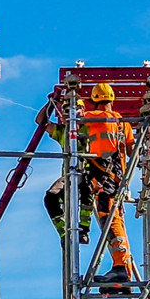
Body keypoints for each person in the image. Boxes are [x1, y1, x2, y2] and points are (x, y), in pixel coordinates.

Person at [80, 83, 135, 288]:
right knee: (116, 220)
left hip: (104, 180)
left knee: (110, 221)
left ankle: (121, 268)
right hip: (118, 178)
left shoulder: (94, 117)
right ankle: (124, 271)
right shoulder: (124, 124)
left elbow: (75, 120)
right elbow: (131, 151)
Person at [38, 95, 93, 245]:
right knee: (51, 197)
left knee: (88, 192)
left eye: (75, 109)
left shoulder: (92, 126)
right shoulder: (63, 131)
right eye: (66, 110)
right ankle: (64, 233)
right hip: (68, 175)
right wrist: (51, 102)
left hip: (89, 173)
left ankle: (84, 229)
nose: (70, 113)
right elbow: (40, 122)